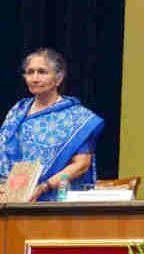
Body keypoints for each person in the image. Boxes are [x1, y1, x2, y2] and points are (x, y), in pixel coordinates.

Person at [0, 48, 104, 201]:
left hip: (55, 200)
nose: (34, 78)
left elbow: (81, 165)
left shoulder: (77, 117)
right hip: (13, 198)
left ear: (59, 78)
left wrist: (43, 187)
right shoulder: (17, 111)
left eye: (42, 72)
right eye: (30, 72)